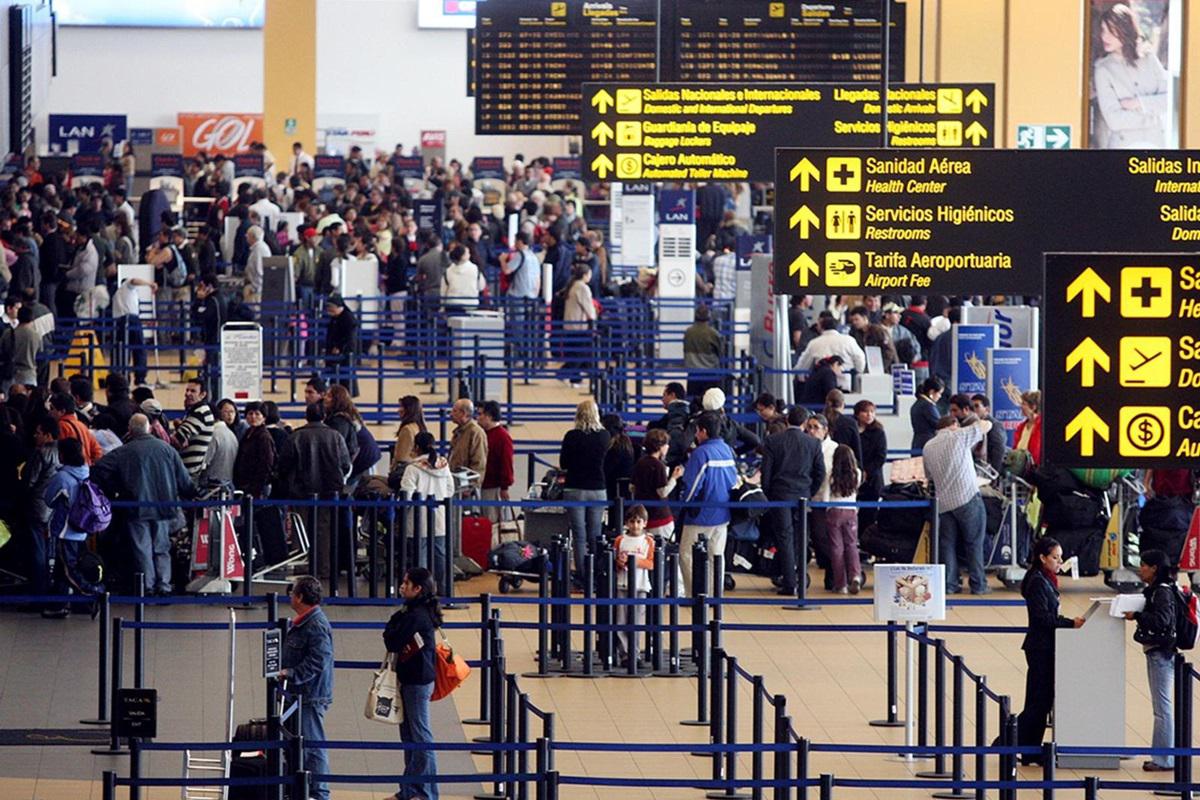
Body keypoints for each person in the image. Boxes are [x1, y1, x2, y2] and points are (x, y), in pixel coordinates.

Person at [92, 414, 195, 595]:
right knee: (162, 547)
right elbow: (184, 480)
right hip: (164, 506)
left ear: (130, 431)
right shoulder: (167, 449)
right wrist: (193, 494)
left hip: (136, 507)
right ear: (148, 429)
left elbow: (99, 470)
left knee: (142, 549)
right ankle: (164, 584)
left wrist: (113, 489)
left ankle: (147, 586)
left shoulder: (124, 451)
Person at [1015, 537, 1085, 764]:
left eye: (1060, 557)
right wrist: (1069, 623)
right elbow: (1042, 617)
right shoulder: (1037, 582)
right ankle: (1010, 741)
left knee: (1041, 700)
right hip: (1040, 647)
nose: (1059, 561)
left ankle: (1029, 750)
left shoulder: (1046, 579)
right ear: (1042, 558)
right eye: (1055, 557)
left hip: (1045, 646)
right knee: (1039, 700)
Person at [383, 567, 442, 800]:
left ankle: (424, 792)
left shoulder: (416, 616)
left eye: (406, 583)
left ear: (418, 589)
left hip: (417, 681)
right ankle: (412, 790)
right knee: (410, 736)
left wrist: (393, 624)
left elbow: (392, 640)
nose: (402, 586)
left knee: (420, 736)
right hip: (411, 678)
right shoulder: (416, 611)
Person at [275, 403, 353, 580]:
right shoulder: (335, 436)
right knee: (324, 531)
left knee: (300, 529)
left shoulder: (296, 436)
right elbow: (345, 464)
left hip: (300, 491)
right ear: (324, 416)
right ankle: (323, 569)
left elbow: (284, 464)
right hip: (329, 491)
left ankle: (301, 567)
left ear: (306, 416)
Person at [279, 576, 335, 800]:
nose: (290, 596)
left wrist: (292, 674)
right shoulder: (304, 621)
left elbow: (319, 659)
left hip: (310, 695)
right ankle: (302, 790)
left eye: (292, 593)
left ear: (300, 597)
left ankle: (319, 794)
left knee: (313, 747)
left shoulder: (316, 625)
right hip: (300, 694)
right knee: (301, 744)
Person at [1125, 549, 1181, 773]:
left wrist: (1137, 616)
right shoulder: (1158, 591)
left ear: (1155, 568)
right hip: (1159, 652)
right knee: (1162, 707)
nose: (1141, 569)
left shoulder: (1162, 593)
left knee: (1162, 708)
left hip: (1161, 653)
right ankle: (1162, 756)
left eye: (1144, 565)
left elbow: (1162, 620)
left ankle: (1164, 759)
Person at [922, 414, 992, 595]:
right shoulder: (959, 436)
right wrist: (967, 426)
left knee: (947, 545)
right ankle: (978, 584)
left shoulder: (928, 446)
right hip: (967, 497)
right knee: (974, 543)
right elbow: (987, 425)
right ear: (953, 425)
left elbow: (929, 476)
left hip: (943, 503)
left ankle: (950, 584)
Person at [760, 407, 826, 596]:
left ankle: (789, 582)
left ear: (787, 420)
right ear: (805, 423)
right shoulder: (813, 444)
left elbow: (767, 473)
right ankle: (800, 577)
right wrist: (809, 492)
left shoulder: (773, 441)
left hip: (780, 496)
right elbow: (819, 472)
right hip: (803, 496)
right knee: (801, 537)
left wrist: (769, 494)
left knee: (784, 537)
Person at [678, 411, 739, 596]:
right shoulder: (727, 450)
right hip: (723, 514)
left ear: (703, 431)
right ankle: (714, 596)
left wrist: (683, 504)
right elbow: (733, 480)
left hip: (700, 515)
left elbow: (692, 486)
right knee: (715, 557)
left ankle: (694, 595)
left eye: (697, 431)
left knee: (686, 555)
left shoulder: (701, 453)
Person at [1093, 3, 1169, 149]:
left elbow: (1169, 99)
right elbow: (1114, 120)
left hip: (1156, 145)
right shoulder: (1103, 69)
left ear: (1125, 30)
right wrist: (1152, 116)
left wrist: (1137, 103)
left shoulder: (1149, 59)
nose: (1105, 37)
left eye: (1111, 31)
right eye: (1103, 30)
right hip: (1123, 146)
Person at [560, 399, 611, 578]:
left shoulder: (571, 436)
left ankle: (582, 574)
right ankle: (596, 574)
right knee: (595, 533)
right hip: (598, 488)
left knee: (578, 535)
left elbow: (563, 463)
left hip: (574, 488)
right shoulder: (605, 436)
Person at [40, 438, 90, 618]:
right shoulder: (86, 472)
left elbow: (49, 499)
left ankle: (90, 596)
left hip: (64, 530)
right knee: (71, 567)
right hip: (82, 529)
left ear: (63, 454)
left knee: (66, 570)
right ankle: (73, 604)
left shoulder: (62, 477)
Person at [399, 432, 455, 581]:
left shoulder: (412, 468)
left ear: (416, 447)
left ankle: (422, 589)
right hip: (440, 519)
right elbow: (450, 490)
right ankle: (442, 587)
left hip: (419, 522)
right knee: (440, 555)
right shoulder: (443, 465)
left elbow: (407, 496)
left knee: (420, 558)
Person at [614, 504, 655, 657]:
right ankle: (624, 652)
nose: (635, 525)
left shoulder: (648, 541)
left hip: (640, 586)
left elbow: (651, 563)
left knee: (637, 621)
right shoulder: (620, 540)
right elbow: (615, 562)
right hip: (622, 584)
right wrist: (620, 561)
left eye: (639, 522)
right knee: (621, 620)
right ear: (626, 523)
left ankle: (635, 652)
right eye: (632, 522)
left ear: (644, 523)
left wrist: (635, 561)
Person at [632, 428, 682, 543]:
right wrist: (674, 478)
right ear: (660, 447)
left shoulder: (640, 462)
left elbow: (632, 487)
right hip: (660, 517)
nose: (668, 447)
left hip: (643, 514)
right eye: (666, 444)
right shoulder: (658, 465)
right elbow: (662, 492)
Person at [825, 444, 863, 594]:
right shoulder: (857, 473)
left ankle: (840, 584)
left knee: (837, 548)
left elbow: (826, 495)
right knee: (852, 545)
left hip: (834, 510)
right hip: (851, 510)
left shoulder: (831, 474)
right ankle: (855, 575)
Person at [557, 262, 596, 387]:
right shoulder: (583, 288)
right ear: (585, 275)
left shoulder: (572, 286)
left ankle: (575, 378)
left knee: (573, 352)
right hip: (579, 326)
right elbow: (588, 307)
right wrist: (593, 320)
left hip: (569, 325)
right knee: (580, 353)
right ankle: (564, 373)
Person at [479, 401, 514, 528]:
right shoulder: (485, 434)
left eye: (481, 414)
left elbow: (506, 463)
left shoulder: (502, 437)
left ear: (489, 416)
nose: (478, 418)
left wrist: (504, 486)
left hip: (494, 487)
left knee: (493, 523)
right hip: (485, 485)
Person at [854, 400, 887, 529]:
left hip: (872, 479)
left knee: (869, 513)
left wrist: (867, 472)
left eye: (872, 412)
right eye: (865, 412)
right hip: (854, 476)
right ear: (857, 414)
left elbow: (880, 457)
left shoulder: (879, 432)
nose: (869, 415)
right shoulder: (853, 431)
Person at [172, 379, 215, 479]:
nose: (187, 394)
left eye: (193, 391)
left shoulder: (200, 412)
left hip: (188, 473)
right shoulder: (195, 412)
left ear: (203, 394)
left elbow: (177, 440)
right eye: (187, 390)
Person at [796, 315, 866, 375]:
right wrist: (858, 372)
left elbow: (803, 364)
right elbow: (860, 357)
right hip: (846, 381)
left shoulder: (814, 343)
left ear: (821, 327)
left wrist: (801, 377)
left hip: (822, 383)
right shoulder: (849, 340)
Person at [232, 401, 275, 498]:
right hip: (245, 484)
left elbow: (267, 464)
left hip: (257, 488)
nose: (253, 417)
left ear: (264, 417)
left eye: (257, 414)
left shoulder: (264, 437)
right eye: (250, 413)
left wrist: (256, 487)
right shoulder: (248, 433)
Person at [49, 393, 102, 465]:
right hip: (85, 471)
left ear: (62, 411)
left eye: (52, 408)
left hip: (70, 469)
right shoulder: (82, 425)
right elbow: (97, 452)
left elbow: (57, 453)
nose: (49, 412)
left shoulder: (61, 426)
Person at [683, 305, 723, 399]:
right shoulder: (713, 333)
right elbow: (720, 352)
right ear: (709, 317)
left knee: (693, 401)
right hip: (710, 372)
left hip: (693, 372)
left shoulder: (688, 332)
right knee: (711, 401)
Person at [448, 398, 488, 478]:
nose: (451, 414)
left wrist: (472, 485)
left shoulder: (476, 433)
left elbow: (479, 464)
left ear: (463, 413)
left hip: (467, 485)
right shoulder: (459, 432)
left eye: (455, 411)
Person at [441, 241, 485, 311]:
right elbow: (481, 286)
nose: (469, 254)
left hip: (452, 304)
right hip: (471, 304)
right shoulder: (475, 269)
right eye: (468, 253)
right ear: (463, 256)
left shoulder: (448, 271)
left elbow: (443, 291)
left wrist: (442, 307)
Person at [970, 394, 1008, 475]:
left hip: (989, 470)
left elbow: (999, 450)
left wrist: (994, 473)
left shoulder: (994, 425)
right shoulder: (974, 425)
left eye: (977, 406)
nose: (973, 410)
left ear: (987, 409)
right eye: (972, 407)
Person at [391, 395, 427, 477]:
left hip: (405, 474)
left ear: (409, 409)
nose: (398, 410)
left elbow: (401, 457)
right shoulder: (418, 426)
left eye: (401, 407)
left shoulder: (407, 430)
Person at [910, 377, 943, 453]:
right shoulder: (927, 406)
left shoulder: (917, 404)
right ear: (932, 392)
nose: (940, 396)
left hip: (918, 442)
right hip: (927, 443)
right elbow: (939, 424)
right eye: (939, 393)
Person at [1013, 390, 1043, 468]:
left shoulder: (1042, 425)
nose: (1021, 406)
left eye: (1024, 404)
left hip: (1035, 470)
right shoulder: (1021, 427)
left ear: (1033, 407)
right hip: (1021, 468)